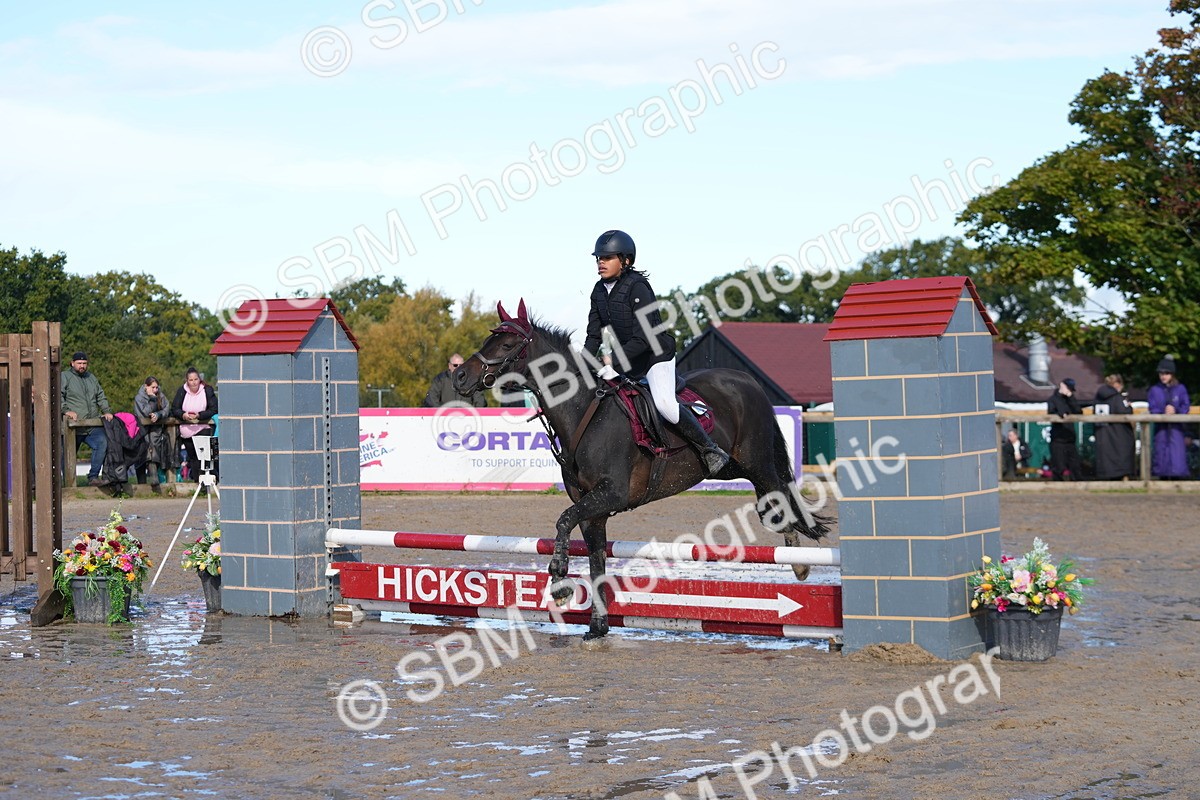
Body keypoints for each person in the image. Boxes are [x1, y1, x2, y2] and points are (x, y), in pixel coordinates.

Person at [582, 229, 729, 476]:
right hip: (627, 359)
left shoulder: (638, 287)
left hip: (654, 356)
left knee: (665, 405)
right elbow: (593, 336)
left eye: (607, 258)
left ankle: (709, 449)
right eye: (599, 258)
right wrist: (583, 363)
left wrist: (611, 360)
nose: (600, 262)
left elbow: (643, 338)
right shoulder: (598, 291)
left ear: (625, 260)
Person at [60, 351, 114, 486]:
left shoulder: (91, 377)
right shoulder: (64, 376)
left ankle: (93, 477)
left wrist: (106, 411)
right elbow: (58, 396)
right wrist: (66, 411)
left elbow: (100, 395)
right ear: (72, 363)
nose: (82, 366)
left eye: (84, 363)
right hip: (73, 426)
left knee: (102, 443)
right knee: (67, 455)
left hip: (92, 424)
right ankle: (68, 483)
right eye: (79, 363)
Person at [171, 367, 218, 483]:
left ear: (199, 379)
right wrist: (183, 415)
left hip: (203, 427)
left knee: (203, 457)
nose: (193, 382)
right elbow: (174, 409)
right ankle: (197, 483)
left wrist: (200, 415)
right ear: (187, 381)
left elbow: (214, 409)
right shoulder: (181, 391)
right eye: (191, 380)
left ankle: (207, 483)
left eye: (195, 379)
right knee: (193, 459)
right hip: (186, 431)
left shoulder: (207, 390)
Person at [1147, 355, 1191, 479]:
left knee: (1177, 456)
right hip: (1161, 429)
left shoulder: (1180, 389)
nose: (1163, 376)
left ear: (1172, 374)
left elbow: (1185, 405)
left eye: (1166, 373)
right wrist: (1162, 412)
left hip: (1177, 429)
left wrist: (1175, 411)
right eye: (1161, 373)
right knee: (1161, 456)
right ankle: (1162, 476)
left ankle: (1178, 478)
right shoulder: (1154, 390)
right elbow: (1152, 407)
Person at [133, 376, 175, 489]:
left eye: (157, 387)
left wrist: (159, 414)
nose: (155, 390)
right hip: (142, 430)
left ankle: (154, 479)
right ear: (146, 387)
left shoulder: (160, 395)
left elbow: (166, 408)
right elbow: (146, 412)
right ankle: (141, 485)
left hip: (156, 429)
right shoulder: (139, 398)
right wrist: (152, 399)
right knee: (143, 453)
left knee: (154, 449)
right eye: (153, 387)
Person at [1093, 374, 1136, 480]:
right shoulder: (1118, 397)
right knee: (1122, 459)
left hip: (1103, 435)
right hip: (1120, 436)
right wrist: (1129, 405)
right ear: (1117, 384)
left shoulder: (1097, 398)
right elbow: (1126, 412)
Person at [1047, 377, 1083, 480]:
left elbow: (1078, 411)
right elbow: (1051, 412)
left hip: (1070, 438)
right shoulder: (1053, 399)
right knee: (1058, 467)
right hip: (1058, 439)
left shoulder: (1070, 399)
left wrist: (1071, 397)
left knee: (1075, 466)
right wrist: (1061, 413)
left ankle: (1077, 485)